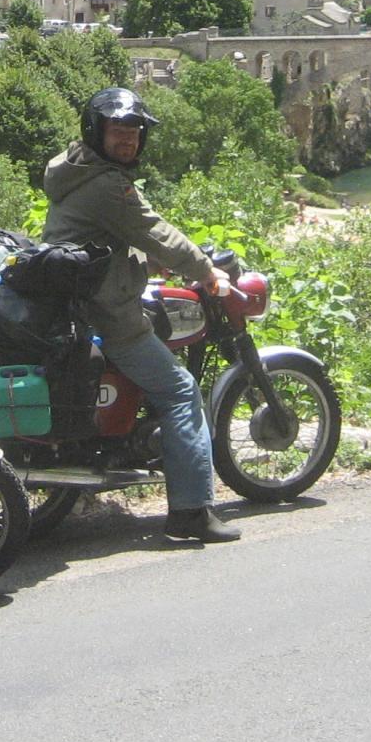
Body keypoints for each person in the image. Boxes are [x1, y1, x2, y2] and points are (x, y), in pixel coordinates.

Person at [41, 87, 241, 544]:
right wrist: (206, 271)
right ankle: (191, 510)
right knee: (181, 391)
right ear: (96, 132)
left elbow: (105, 237)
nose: (127, 140)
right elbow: (155, 230)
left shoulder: (77, 168)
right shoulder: (108, 185)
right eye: (117, 131)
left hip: (76, 305)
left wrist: (143, 261)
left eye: (134, 132)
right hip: (105, 315)